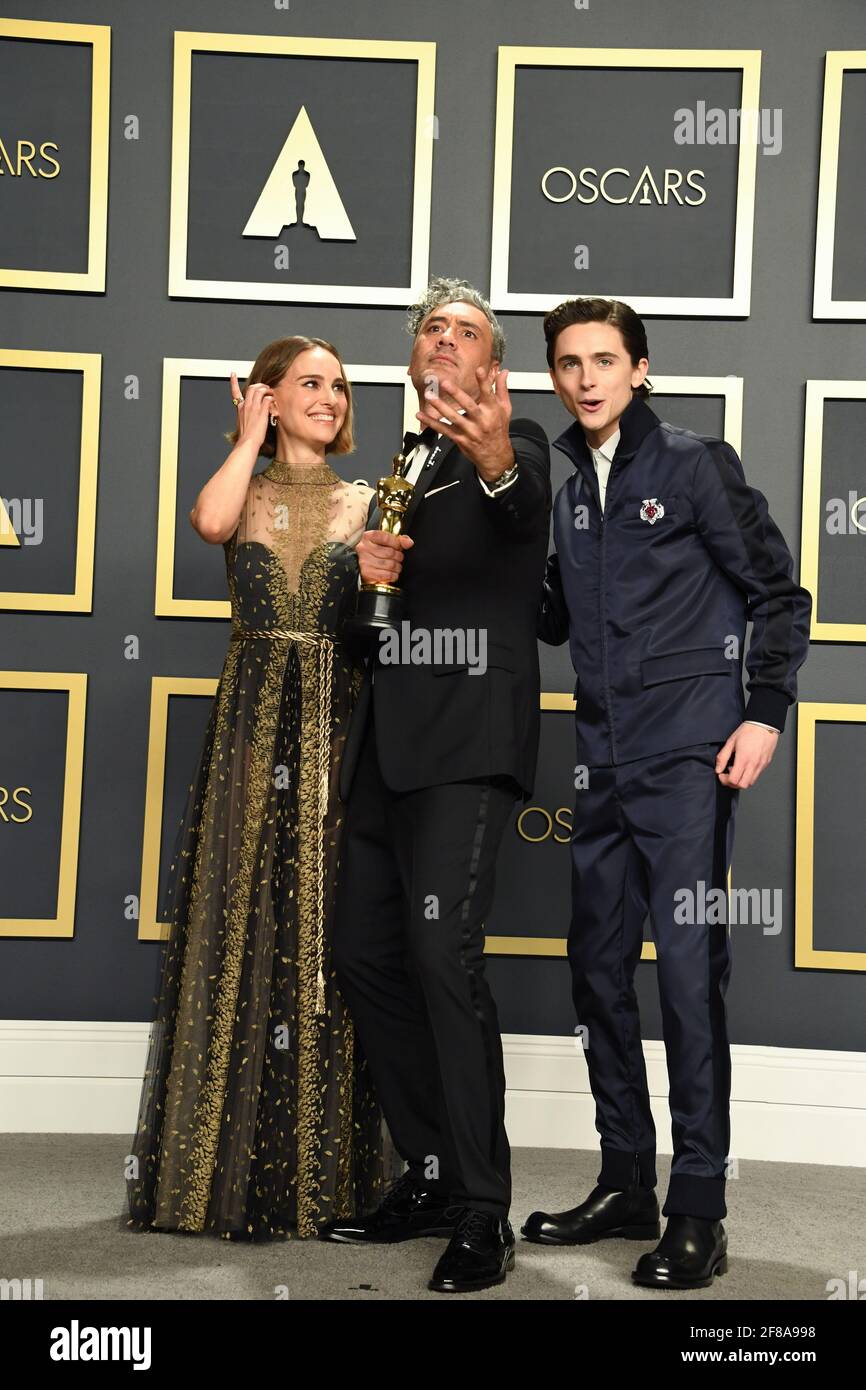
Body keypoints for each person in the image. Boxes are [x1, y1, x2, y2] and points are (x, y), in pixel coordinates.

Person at [524, 296, 812, 1289]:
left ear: (638, 369)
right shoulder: (565, 493)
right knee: (594, 976)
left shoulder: (693, 463)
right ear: (555, 375)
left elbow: (776, 590)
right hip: (599, 763)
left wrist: (761, 708)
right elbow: (556, 620)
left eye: (604, 359)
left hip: (688, 757)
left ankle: (697, 1206)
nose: (586, 377)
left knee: (686, 979)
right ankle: (624, 1179)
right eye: (568, 362)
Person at [126, 336, 393, 1241]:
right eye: (310, 384)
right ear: (271, 398)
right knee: (241, 919)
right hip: (251, 725)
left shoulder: (367, 500)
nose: (331, 397)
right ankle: (210, 1176)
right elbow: (207, 523)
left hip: (333, 725)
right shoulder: (244, 490)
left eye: (340, 386)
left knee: (323, 931)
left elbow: (388, 618)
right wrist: (247, 438)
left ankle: (323, 1182)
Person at [318, 277, 551, 1293]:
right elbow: (355, 632)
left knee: (439, 955)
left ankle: (481, 1212)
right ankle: (424, 1173)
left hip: (465, 744)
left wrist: (495, 451)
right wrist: (356, 572)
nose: (441, 341)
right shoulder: (398, 467)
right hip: (385, 748)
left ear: (491, 369)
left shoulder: (521, 446)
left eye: (461, 332)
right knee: (367, 957)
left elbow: (525, 517)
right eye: (429, 330)